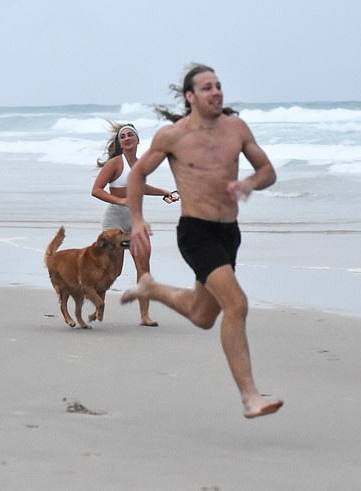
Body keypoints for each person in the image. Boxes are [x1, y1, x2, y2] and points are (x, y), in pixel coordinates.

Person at [120, 64, 284, 418]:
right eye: (207, 88)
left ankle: (150, 287)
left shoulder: (236, 129)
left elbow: (268, 171)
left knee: (203, 315)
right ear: (190, 96)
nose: (216, 92)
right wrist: (136, 221)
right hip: (196, 232)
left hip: (229, 233)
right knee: (236, 304)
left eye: (219, 86)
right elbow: (137, 174)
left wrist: (249, 184)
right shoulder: (173, 136)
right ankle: (250, 397)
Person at [92, 122, 178, 327]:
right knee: (114, 270)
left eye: (131, 135)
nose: (127, 138)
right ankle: (97, 304)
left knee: (143, 268)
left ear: (138, 140)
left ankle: (145, 316)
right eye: (123, 136)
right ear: (120, 143)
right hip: (115, 222)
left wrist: (164, 192)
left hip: (135, 221)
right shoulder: (114, 163)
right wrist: (121, 201)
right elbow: (96, 190)